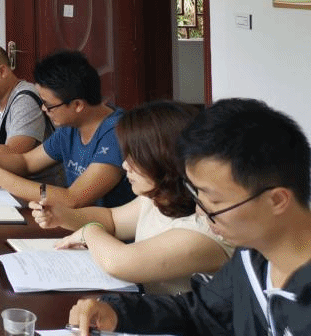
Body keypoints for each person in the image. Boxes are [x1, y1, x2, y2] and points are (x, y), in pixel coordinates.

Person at [69, 98, 311, 336]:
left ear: (276, 200)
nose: (200, 211)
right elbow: (200, 312)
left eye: (214, 201)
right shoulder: (251, 257)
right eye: (197, 194)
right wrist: (116, 313)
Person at [32, 100, 232, 294]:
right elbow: (112, 220)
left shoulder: (205, 229)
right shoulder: (158, 198)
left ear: (162, 159)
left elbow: (120, 262)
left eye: (134, 157)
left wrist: (89, 232)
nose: (124, 165)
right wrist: (62, 215)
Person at [0, 50, 134, 208]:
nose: (43, 109)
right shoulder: (71, 126)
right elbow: (27, 162)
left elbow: (73, 198)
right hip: (75, 221)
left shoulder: (117, 134)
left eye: (48, 105)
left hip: (106, 230)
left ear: (77, 105)